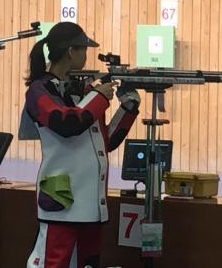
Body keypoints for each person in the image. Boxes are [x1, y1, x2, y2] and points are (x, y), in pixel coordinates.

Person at [24, 22, 140, 268]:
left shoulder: (82, 91)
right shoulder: (39, 90)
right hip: (62, 200)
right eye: (83, 50)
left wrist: (128, 108)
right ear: (70, 51)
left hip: (90, 202)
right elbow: (66, 124)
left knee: (88, 263)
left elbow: (104, 142)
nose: (86, 56)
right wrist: (99, 96)